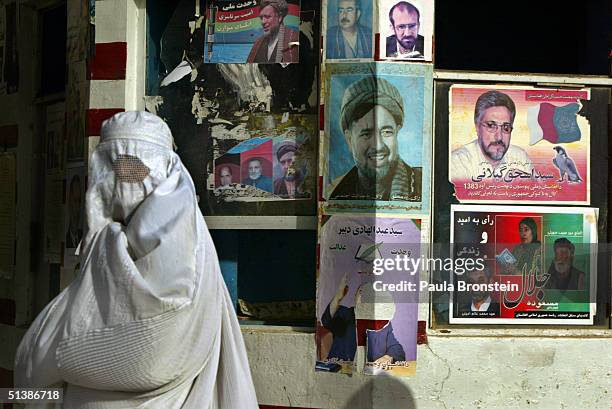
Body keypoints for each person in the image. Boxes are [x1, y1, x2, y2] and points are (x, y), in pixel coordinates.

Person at [15, 111, 259, 408]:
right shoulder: (108, 243)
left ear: (164, 171)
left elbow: (148, 357)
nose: (123, 181)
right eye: (114, 171)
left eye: (134, 171)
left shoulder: (181, 249)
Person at [329, 76, 422, 201]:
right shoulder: (332, 192)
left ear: (397, 132)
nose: (378, 145)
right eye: (366, 134)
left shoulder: (423, 186)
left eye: (387, 132)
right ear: (349, 140)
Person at [450, 90, 534, 182]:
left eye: (506, 127)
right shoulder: (457, 162)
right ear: (477, 127)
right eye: (491, 126)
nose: (499, 137)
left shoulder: (520, 158)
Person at [321, 275, 405, 364]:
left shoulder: (382, 322)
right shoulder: (345, 313)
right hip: (340, 370)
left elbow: (396, 348)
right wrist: (338, 296)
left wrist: (388, 357)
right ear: (355, 297)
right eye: (361, 292)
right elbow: (327, 320)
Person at [65, 174, 83, 249]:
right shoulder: (66, 239)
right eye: (75, 201)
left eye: (79, 201)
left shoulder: (83, 237)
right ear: (69, 203)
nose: (77, 208)